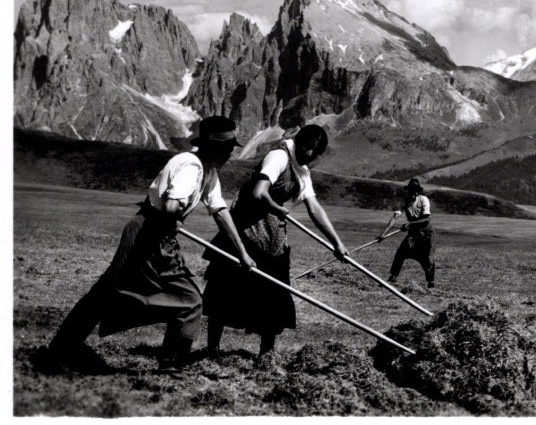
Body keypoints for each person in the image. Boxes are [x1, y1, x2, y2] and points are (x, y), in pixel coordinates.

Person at [47, 116, 256, 373]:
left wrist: (242, 253)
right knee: (188, 300)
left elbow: (220, 210)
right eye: (227, 148)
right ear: (214, 147)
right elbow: (170, 205)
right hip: (150, 232)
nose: (230, 154)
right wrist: (172, 217)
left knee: (105, 292)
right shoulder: (191, 166)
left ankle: (60, 348)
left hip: (154, 231)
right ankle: (171, 363)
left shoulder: (208, 171)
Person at [202, 124, 350, 365]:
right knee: (225, 291)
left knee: (273, 298)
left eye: (313, 155)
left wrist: (336, 243)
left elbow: (314, 208)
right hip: (247, 232)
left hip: (273, 237)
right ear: (300, 144)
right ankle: (212, 351)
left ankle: (266, 357)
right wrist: (276, 207)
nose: (308, 157)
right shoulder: (279, 155)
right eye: (306, 151)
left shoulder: (302, 169)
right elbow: (259, 191)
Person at [386, 178, 436, 288]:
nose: (414, 193)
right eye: (412, 190)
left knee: (428, 259)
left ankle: (430, 283)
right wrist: (383, 234)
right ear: (408, 191)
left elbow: (426, 219)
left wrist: (410, 224)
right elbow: (395, 218)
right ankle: (393, 277)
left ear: (418, 192)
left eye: (416, 191)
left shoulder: (424, 200)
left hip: (426, 234)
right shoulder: (404, 201)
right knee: (401, 253)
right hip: (413, 233)